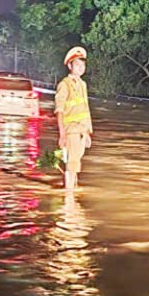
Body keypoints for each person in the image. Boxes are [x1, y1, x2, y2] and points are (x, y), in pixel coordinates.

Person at [55, 46, 93, 190]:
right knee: (71, 164)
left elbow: (85, 109)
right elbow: (59, 111)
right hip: (71, 131)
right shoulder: (64, 85)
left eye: (83, 65)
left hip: (82, 131)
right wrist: (62, 134)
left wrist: (87, 132)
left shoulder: (82, 84)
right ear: (70, 66)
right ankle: (69, 195)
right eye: (77, 65)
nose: (81, 68)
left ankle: (71, 193)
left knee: (76, 163)